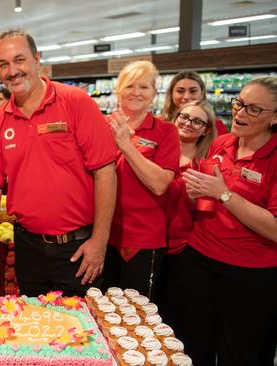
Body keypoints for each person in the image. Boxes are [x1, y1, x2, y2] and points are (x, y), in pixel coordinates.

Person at [0, 29, 117, 297]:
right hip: (27, 248)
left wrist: (100, 241)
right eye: (3, 64)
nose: (12, 71)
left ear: (37, 59)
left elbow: (105, 172)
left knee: (80, 334)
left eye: (19, 60)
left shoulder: (76, 103)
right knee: (35, 330)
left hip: (77, 249)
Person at [181, 77, 277, 366]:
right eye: (239, 104)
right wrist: (194, 194)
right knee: (194, 345)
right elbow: (204, 203)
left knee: (240, 352)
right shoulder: (222, 143)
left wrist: (223, 194)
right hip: (199, 259)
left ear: (274, 118)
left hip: (249, 274)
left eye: (254, 109)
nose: (240, 113)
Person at [103, 61, 180, 299]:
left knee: (136, 312)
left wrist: (126, 145)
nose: (136, 92)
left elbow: (159, 184)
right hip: (102, 236)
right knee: (100, 307)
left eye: (144, 87)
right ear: (118, 90)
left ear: (154, 93)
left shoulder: (165, 131)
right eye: (129, 86)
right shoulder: (99, 126)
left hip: (142, 241)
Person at [159, 100, 217, 337]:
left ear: (206, 130)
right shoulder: (159, 152)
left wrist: (196, 198)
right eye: (184, 116)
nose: (188, 123)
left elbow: (207, 210)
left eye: (197, 121)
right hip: (149, 240)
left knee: (174, 312)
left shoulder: (206, 164)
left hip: (182, 248)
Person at [159, 70, 228, 136]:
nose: (186, 96)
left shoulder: (215, 125)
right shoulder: (158, 123)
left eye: (193, 91)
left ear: (202, 93)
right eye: (180, 91)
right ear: (171, 93)